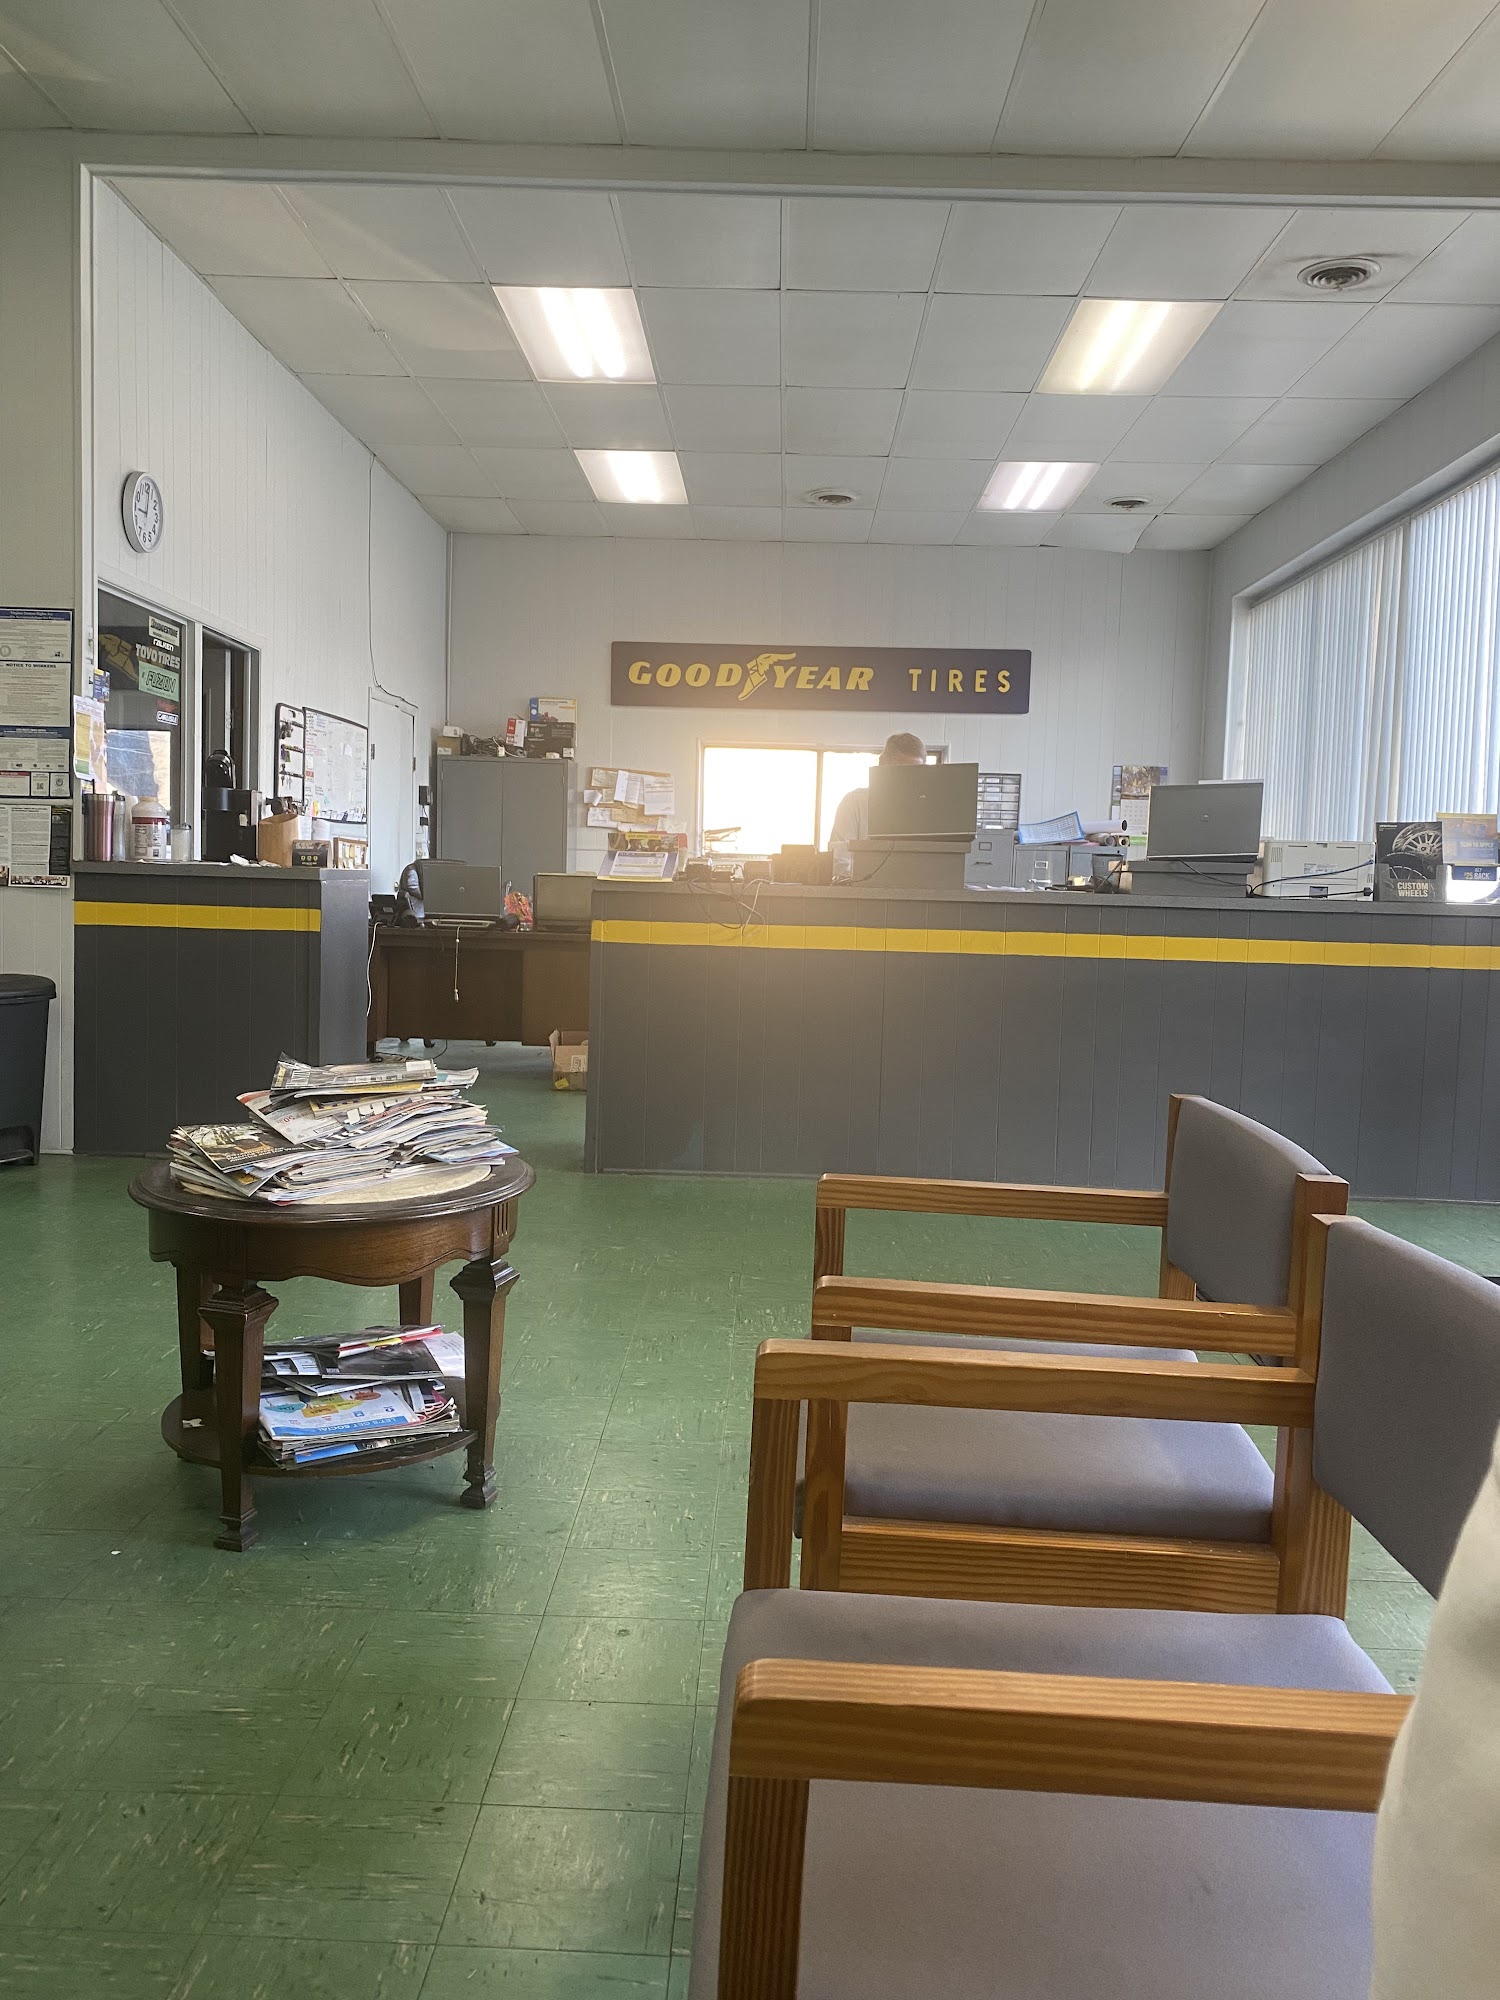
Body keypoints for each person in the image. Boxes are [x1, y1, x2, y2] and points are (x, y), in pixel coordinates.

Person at [828, 732, 926, 873]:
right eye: (902, 771)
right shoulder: (854, 803)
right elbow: (839, 860)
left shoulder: (925, 809)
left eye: (916, 773)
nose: (909, 780)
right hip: (864, 885)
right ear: (882, 768)